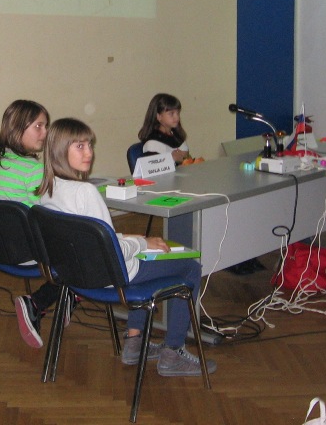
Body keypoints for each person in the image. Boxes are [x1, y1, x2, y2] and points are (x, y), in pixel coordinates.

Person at [37, 117, 216, 377]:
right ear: (59, 151)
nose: (89, 153)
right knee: (189, 267)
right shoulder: (85, 192)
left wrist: (128, 237)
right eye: (80, 146)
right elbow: (115, 252)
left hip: (77, 274)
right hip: (111, 276)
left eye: (89, 145)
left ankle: (134, 343)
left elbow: (91, 235)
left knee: (143, 249)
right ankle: (173, 352)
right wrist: (141, 242)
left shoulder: (47, 191)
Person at [0, 99, 73, 349]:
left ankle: (68, 294)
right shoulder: (33, 170)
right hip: (25, 252)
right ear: (17, 129)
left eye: (46, 126)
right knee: (85, 249)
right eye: (38, 126)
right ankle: (37, 302)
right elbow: (56, 215)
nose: (45, 132)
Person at [138, 93, 191, 165]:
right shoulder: (152, 144)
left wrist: (186, 158)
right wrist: (172, 159)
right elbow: (152, 168)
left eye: (178, 113)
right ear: (159, 116)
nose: (177, 117)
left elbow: (186, 159)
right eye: (171, 113)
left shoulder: (177, 136)